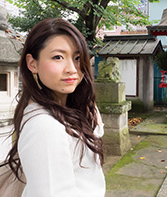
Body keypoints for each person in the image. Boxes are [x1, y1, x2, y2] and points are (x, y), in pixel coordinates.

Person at [6, 18, 105, 196]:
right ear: (32, 64)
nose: (72, 69)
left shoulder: (73, 109)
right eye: (58, 57)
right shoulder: (44, 127)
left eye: (77, 58)